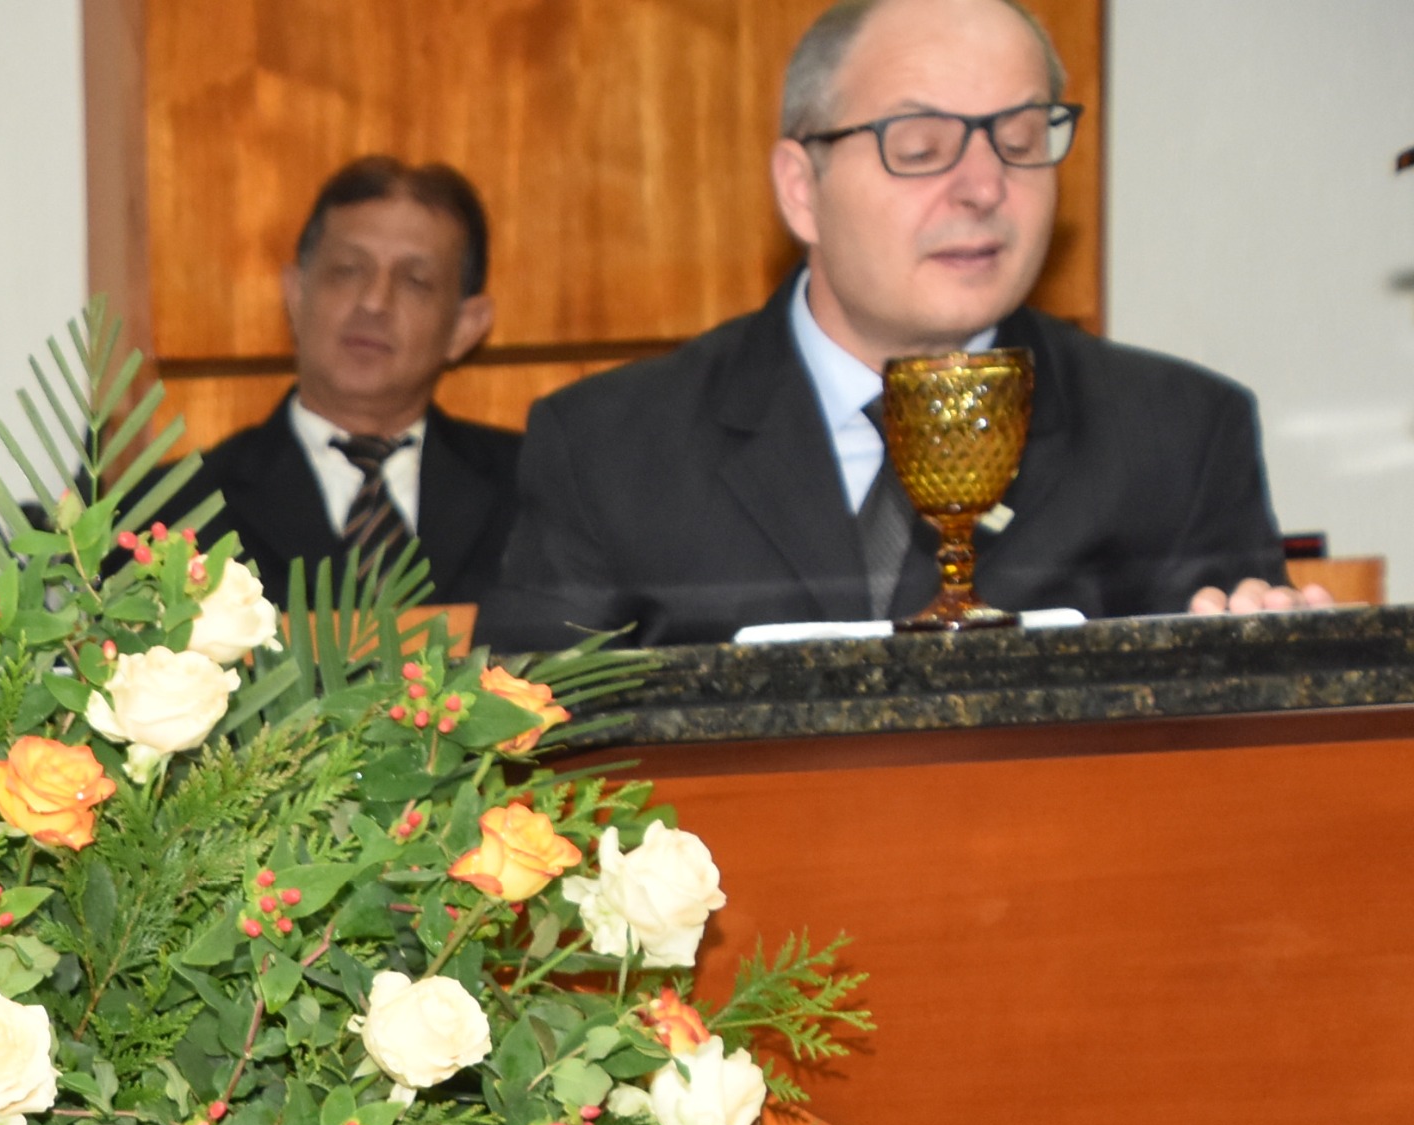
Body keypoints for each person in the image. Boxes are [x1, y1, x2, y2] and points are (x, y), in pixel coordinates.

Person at [486, 0, 1317, 649]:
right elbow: (525, 759)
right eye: (921, 149)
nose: (984, 188)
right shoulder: (610, 450)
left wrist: (1276, 668)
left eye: (1020, 140)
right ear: (801, 189)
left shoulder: (1176, 438)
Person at [174, 157, 520, 608]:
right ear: (296, 294)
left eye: (415, 281)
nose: (374, 303)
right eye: (347, 270)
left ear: (466, 327)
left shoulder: (538, 494)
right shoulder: (178, 508)